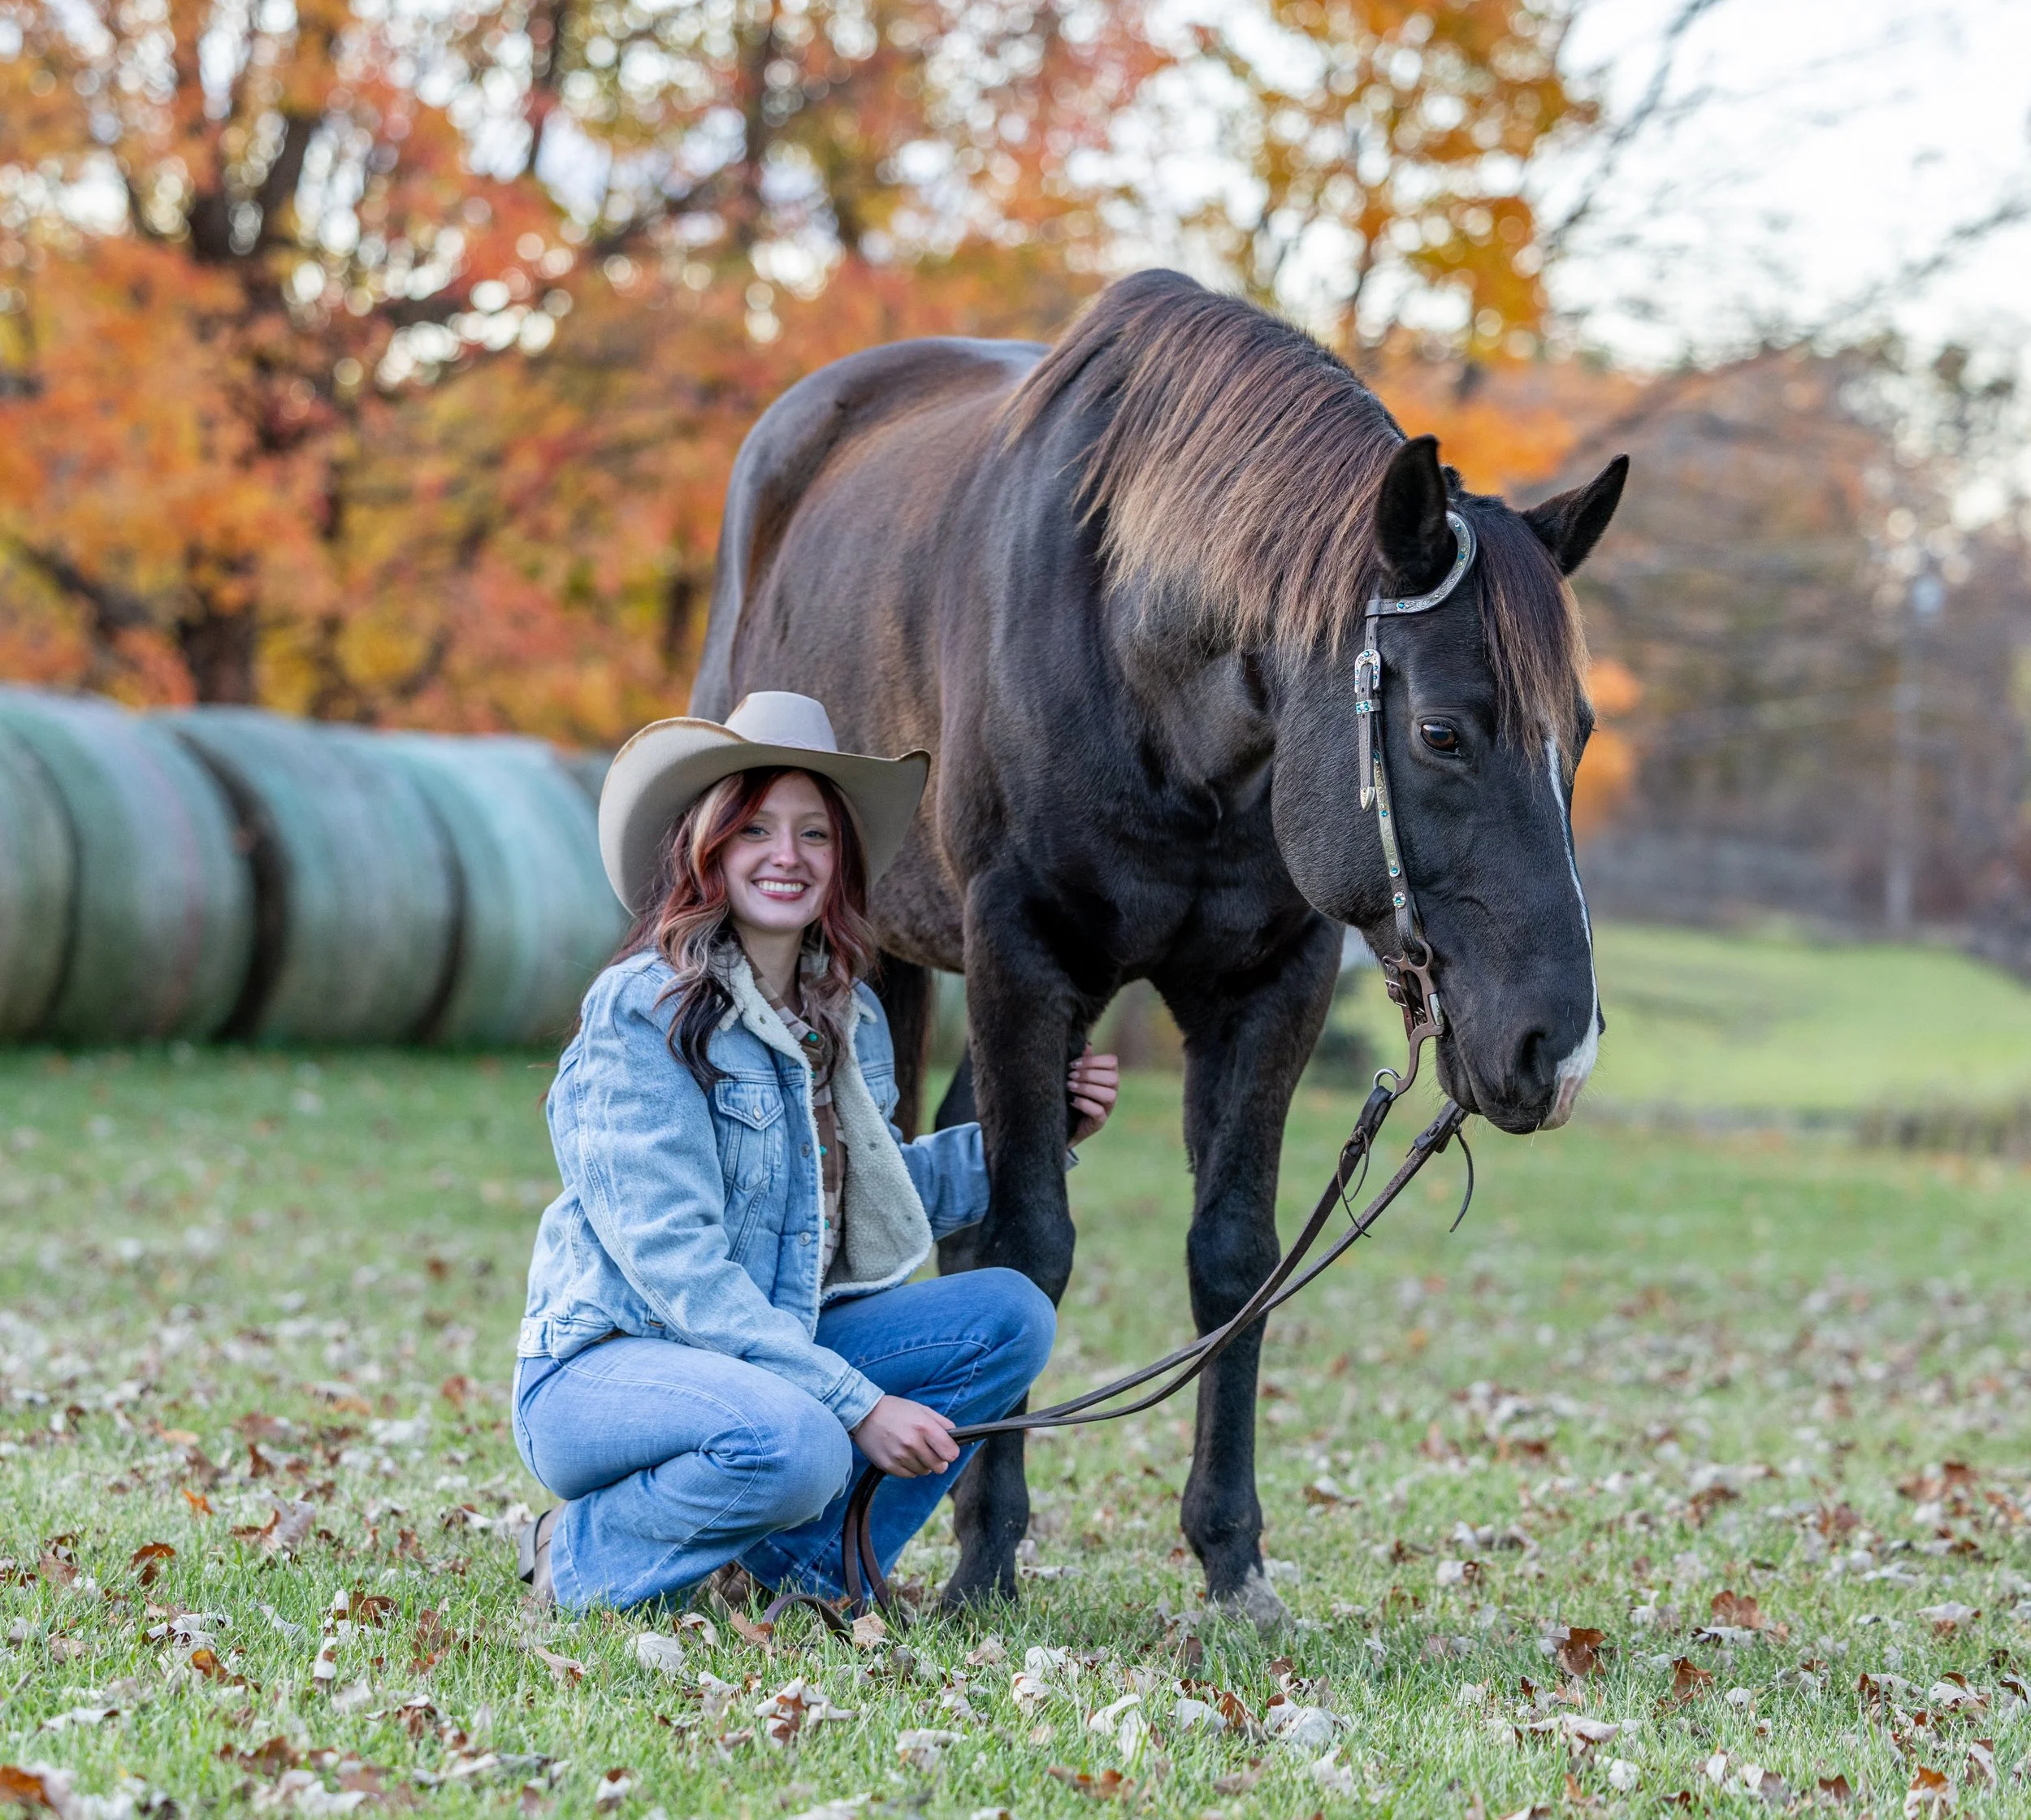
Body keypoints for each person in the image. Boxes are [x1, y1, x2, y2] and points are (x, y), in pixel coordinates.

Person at [512, 691, 1119, 1609]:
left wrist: (1038, 1131)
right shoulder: (643, 1009)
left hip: (763, 1358)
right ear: (705, 847)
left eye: (814, 834)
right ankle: (579, 1552)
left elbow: (864, 1193)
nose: (787, 856)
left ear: (841, 861)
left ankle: (801, 1573)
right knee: (797, 1439)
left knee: (1008, 1312)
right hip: (611, 1365)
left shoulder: (846, 1011)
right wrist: (859, 1405)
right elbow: (678, 1266)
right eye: (755, 828)